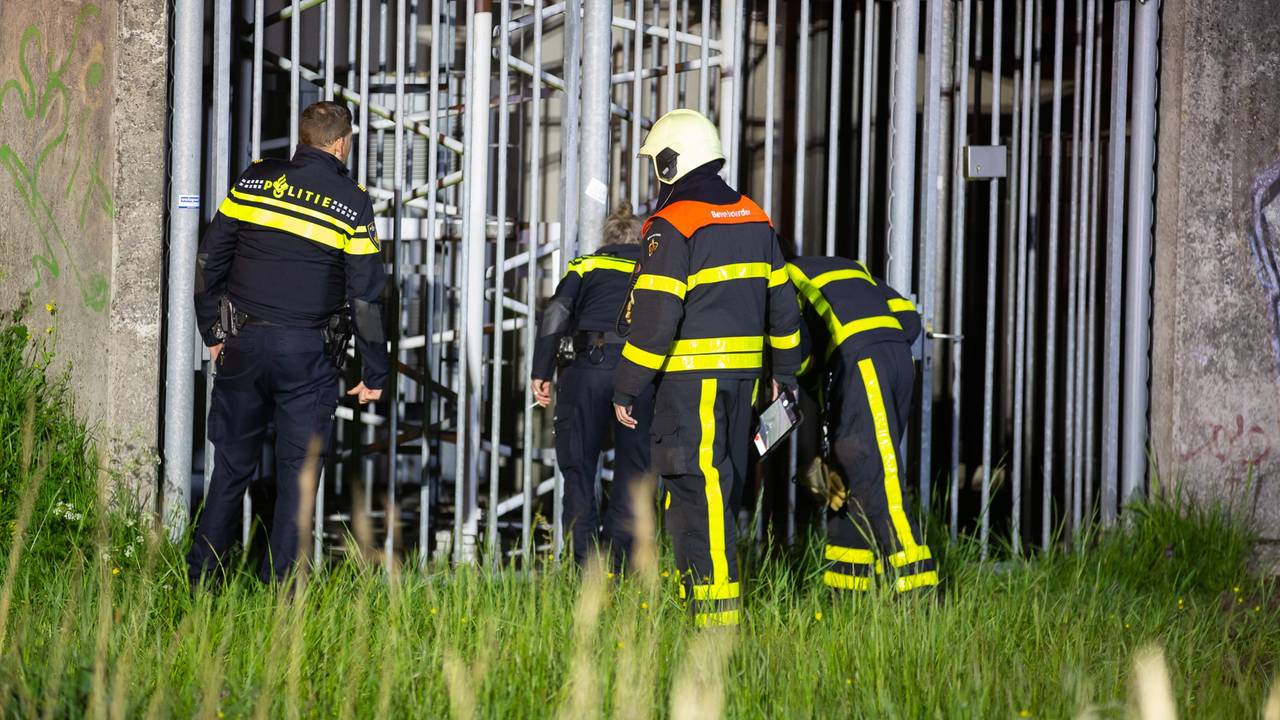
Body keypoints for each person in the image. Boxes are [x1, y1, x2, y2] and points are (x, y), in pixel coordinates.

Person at [612, 109, 803, 627]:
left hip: (691, 387)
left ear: (673, 164)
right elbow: (784, 309)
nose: (656, 175)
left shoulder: (673, 224)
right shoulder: (755, 217)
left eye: (658, 164)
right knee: (719, 490)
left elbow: (654, 316)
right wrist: (784, 376)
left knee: (698, 491)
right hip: (744, 388)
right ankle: (698, 598)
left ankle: (715, 621)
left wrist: (627, 386)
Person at [189, 101, 388, 586]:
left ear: (302, 139)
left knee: (230, 468)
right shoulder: (352, 202)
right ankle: (280, 599)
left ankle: (200, 584)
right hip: (306, 356)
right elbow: (365, 299)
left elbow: (209, 257)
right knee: (298, 479)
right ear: (342, 143)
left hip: (242, 345)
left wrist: (213, 331)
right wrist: (375, 372)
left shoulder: (254, 180)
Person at [786, 255, 939, 595]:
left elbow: (797, 354)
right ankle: (847, 592)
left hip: (861, 363)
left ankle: (920, 595)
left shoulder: (783, 278)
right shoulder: (847, 267)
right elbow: (909, 318)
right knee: (850, 474)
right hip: (895, 359)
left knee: (880, 483)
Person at [531, 203, 656, 569]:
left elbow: (556, 313)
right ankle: (619, 567)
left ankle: (586, 568)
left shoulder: (586, 265)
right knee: (634, 473)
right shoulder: (652, 268)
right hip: (638, 373)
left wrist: (542, 369)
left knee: (580, 468)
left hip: (588, 368)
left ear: (607, 240)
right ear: (640, 239)